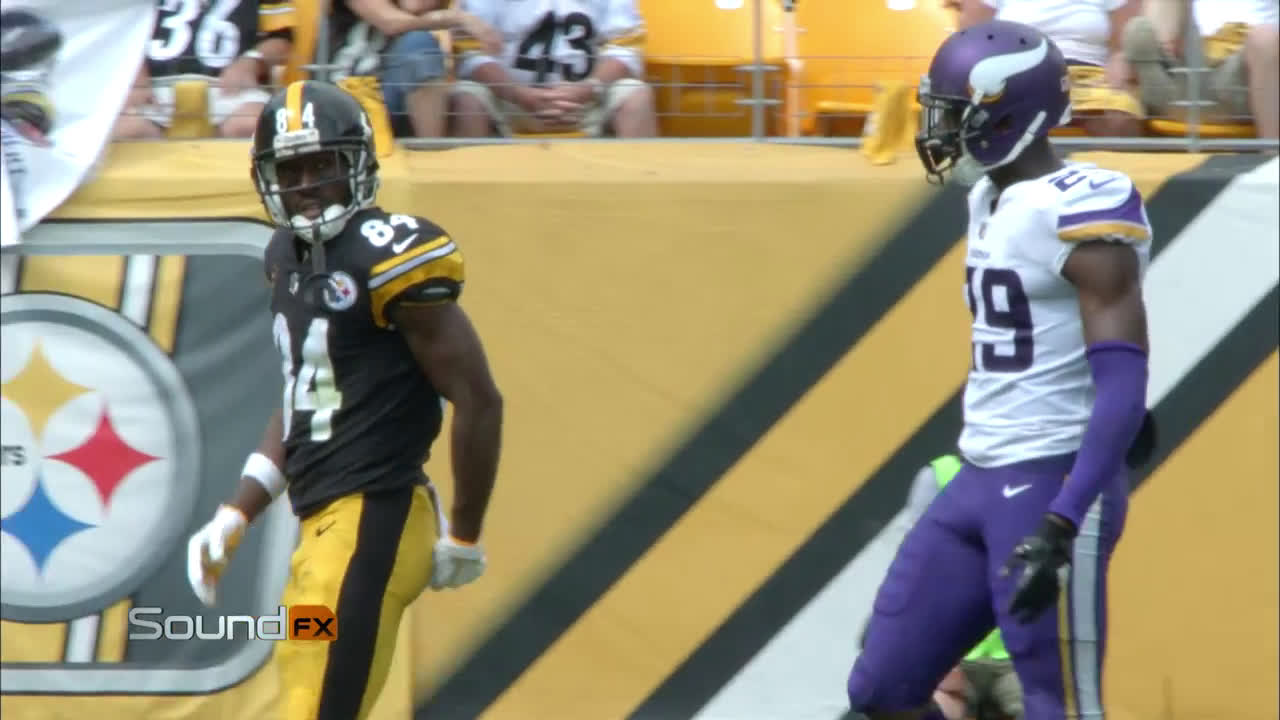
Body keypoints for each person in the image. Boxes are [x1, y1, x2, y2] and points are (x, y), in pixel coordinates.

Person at [847, 20, 1152, 720]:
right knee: (881, 689)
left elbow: (1125, 382)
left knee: (1059, 703)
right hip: (980, 469)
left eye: (955, 114)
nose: (941, 131)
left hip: (1052, 478)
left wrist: (1064, 518)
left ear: (1006, 114)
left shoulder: (1081, 205)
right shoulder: (988, 198)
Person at [185, 80, 504, 720]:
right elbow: (307, 394)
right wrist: (237, 513)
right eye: (290, 171)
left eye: (321, 166)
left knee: (315, 706)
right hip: (323, 530)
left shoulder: (389, 255)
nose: (306, 186)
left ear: (356, 163)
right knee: (303, 693)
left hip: (373, 518)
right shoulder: (284, 256)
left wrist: (466, 534)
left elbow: (479, 400)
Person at [114, 0, 296, 140]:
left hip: (229, 88)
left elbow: (282, 38)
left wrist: (251, 61)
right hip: (152, 85)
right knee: (127, 129)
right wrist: (134, 74)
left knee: (254, 125)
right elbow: (117, 29)